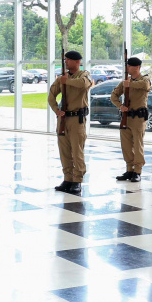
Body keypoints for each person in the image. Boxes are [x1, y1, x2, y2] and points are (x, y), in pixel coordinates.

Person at [48, 51, 93, 194]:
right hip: (63, 119)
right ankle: (68, 178)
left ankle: (77, 180)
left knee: (77, 151)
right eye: (65, 60)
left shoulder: (84, 75)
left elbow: (84, 84)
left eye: (68, 60)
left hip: (77, 120)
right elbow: (51, 95)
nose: (66, 62)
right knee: (64, 150)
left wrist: (66, 81)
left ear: (77, 61)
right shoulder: (62, 78)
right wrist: (56, 110)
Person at [110, 57, 151, 182]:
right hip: (126, 117)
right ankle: (129, 169)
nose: (127, 68)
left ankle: (137, 171)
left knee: (137, 144)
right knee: (126, 145)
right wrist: (120, 106)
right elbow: (114, 95)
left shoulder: (144, 79)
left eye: (130, 66)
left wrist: (130, 84)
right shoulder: (125, 82)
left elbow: (145, 86)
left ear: (137, 67)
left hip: (138, 118)